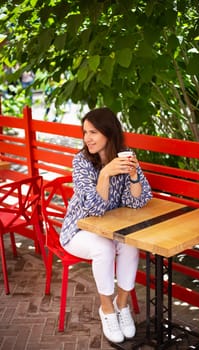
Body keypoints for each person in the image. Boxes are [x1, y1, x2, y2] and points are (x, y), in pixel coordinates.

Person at [60, 107, 152, 343]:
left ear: (109, 133)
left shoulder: (125, 156)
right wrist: (104, 175)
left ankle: (122, 306)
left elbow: (138, 202)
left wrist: (133, 175)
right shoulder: (81, 162)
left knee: (130, 244)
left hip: (111, 228)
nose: (87, 138)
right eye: (84, 132)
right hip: (79, 230)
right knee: (105, 248)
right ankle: (107, 310)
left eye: (93, 132)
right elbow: (93, 209)